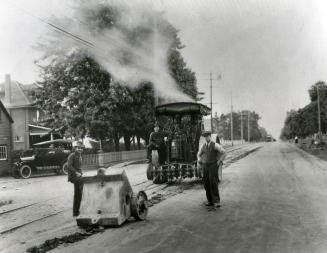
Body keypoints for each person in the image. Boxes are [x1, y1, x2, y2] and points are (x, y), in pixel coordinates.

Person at [197, 131, 225, 209]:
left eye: (207, 136)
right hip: (205, 167)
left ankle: (216, 201)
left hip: (213, 166)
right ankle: (210, 201)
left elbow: (224, 152)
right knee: (206, 184)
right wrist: (199, 159)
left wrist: (219, 161)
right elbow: (198, 154)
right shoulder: (203, 146)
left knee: (213, 183)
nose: (206, 138)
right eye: (205, 137)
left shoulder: (215, 145)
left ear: (210, 136)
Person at [67, 141, 84, 217]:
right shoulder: (72, 155)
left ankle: (78, 210)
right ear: (75, 148)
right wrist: (76, 172)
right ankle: (75, 212)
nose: (80, 149)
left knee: (80, 193)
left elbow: (79, 168)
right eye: (78, 148)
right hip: (73, 176)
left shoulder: (80, 156)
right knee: (78, 194)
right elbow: (69, 166)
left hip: (79, 176)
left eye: (81, 148)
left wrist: (81, 173)